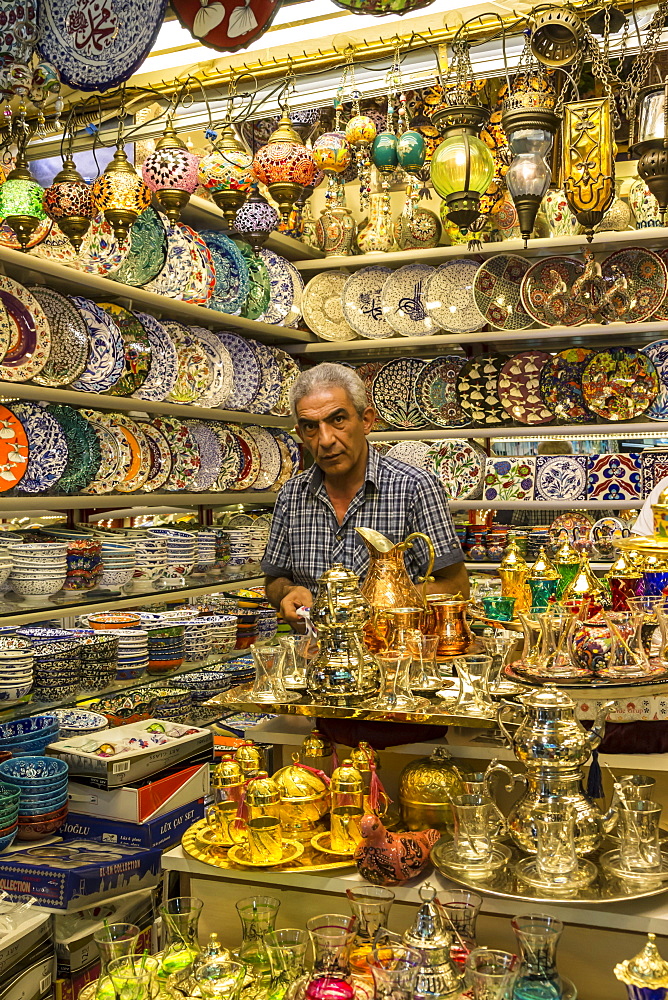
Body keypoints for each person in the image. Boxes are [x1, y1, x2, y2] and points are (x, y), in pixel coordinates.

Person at [261, 363, 468, 628]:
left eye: (337, 420)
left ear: (367, 420)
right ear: (301, 434)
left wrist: (380, 605)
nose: (325, 440)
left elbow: (456, 586)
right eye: (311, 427)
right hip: (316, 659)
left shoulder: (415, 487)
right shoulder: (292, 495)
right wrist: (286, 593)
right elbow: (274, 580)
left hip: (394, 657)